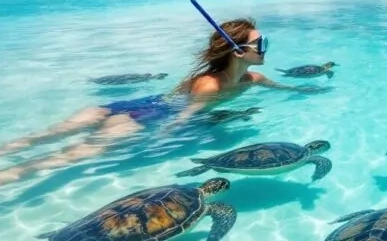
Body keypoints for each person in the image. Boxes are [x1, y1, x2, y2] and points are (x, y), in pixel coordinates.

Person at [0, 16, 323, 186]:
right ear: (239, 51)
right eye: (260, 43)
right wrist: (155, 143)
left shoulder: (254, 79)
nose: (266, 48)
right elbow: (179, 119)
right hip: (140, 118)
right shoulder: (209, 85)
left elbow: (285, 89)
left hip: (135, 104)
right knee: (65, 157)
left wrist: (310, 92)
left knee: (46, 139)